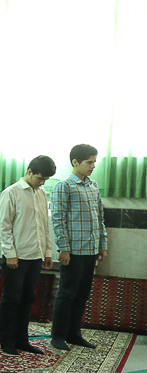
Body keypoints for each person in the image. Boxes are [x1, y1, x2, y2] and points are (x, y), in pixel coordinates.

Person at [50, 144, 107, 351]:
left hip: (90, 250)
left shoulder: (93, 186)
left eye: (94, 162)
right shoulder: (64, 186)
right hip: (73, 251)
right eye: (89, 162)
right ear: (75, 162)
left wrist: (102, 245)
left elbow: (99, 218)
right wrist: (64, 248)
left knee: (82, 294)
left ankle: (74, 334)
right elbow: (58, 220)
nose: (93, 166)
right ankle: (58, 336)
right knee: (67, 293)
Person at [0, 155, 56, 355]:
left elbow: (44, 226)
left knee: (28, 298)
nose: (42, 183)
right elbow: (4, 226)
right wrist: (10, 254)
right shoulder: (11, 192)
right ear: (29, 171)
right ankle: (7, 341)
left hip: (35, 255)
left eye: (45, 180)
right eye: (40, 178)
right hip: (17, 256)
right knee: (11, 299)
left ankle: (22, 340)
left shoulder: (41, 193)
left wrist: (47, 252)